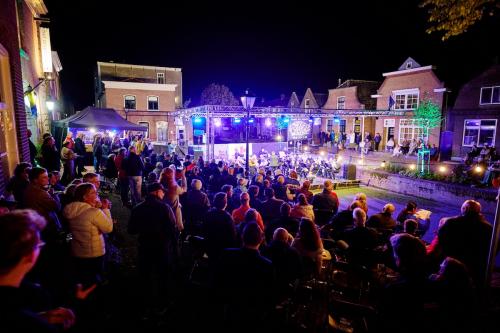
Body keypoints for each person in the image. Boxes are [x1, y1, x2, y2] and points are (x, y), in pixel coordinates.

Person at [0, 210, 77, 332]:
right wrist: (78, 302)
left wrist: (40, 317)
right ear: (30, 255)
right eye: (38, 245)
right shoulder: (31, 315)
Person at [128, 182, 178, 312]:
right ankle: (162, 303)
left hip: (145, 246)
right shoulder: (164, 208)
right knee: (162, 275)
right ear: (156, 192)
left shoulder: (138, 208)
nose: (164, 193)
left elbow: (131, 230)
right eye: (162, 191)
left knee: (145, 274)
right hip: (161, 247)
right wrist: (174, 249)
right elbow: (172, 229)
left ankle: (144, 302)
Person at [63, 183, 113, 286]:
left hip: (77, 251)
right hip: (94, 252)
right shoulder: (94, 212)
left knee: (83, 278)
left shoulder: (69, 209)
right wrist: (105, 209)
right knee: (95, 278)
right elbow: (108, 228)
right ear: (85, 197)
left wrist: (95, 206)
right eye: (93, 193)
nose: (96, 194)